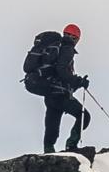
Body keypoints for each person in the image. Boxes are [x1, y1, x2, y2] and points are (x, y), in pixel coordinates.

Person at [22, 24, 92, 154]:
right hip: (60, 94)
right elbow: (62, 71)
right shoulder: (67, 48)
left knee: (52, 126)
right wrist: (79, 81)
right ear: (76, 38)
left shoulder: (55, 48)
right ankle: (71, 145)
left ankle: (48, 151)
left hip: (50, 93)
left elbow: (59, 73)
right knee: (84, 116)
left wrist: (76, 83)